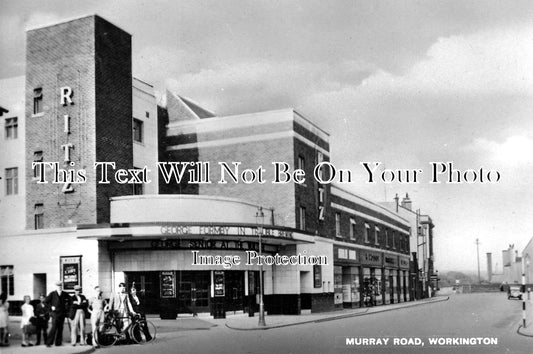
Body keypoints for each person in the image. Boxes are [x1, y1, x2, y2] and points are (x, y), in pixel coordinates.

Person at [44, 281, 72, 347]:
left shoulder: (65, 294)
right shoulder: (52, 294)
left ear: (62, 287)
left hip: (62, 314)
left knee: (60, 328)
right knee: (54, 328)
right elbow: (46, 302)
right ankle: (49, 342)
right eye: (58, 286)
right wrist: (51, 307)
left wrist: (67, 309)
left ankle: (58, 342)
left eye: (60, 286)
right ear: (56, 287)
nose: (59, 287)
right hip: (55, 314)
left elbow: (70, 301)